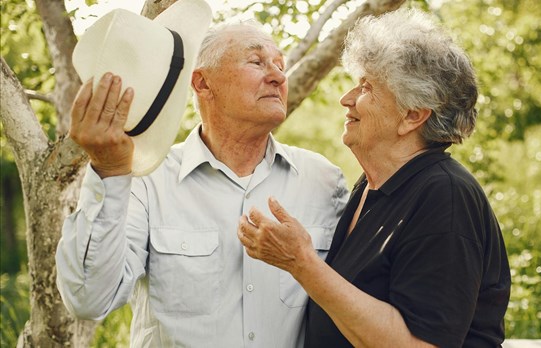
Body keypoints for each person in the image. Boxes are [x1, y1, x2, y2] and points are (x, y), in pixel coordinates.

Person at [55, 19, 348, 348]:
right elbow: (88, 299)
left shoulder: (324, 181)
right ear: (203, 84)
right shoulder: (145, 180)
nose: (279, 76)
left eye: (280, 64)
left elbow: (355, 302)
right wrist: (108, 170)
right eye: (256, 61)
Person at [238, 8, 511, 348]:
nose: (346, 99)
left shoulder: (445, 196)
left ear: (412, 115)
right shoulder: (372, 186)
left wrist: (302, 263)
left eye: (366, 87)